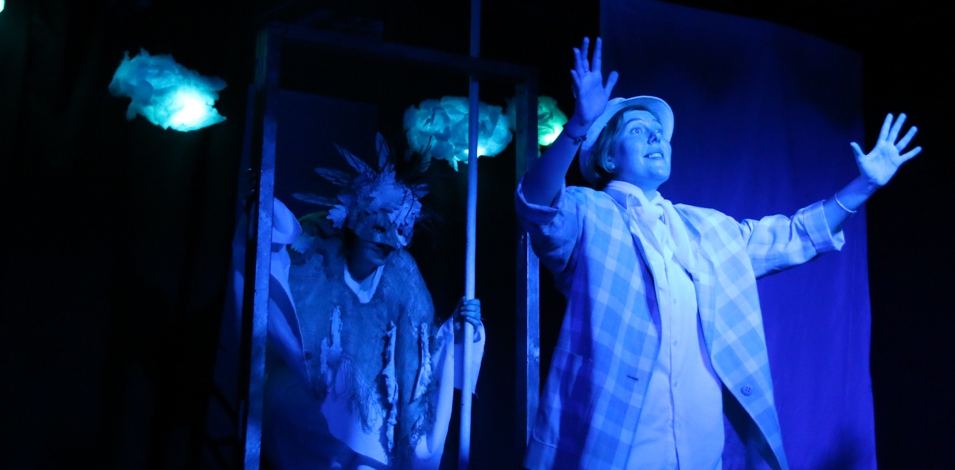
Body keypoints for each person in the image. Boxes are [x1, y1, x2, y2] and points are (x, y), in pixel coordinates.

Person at [516, 38, 921, 470]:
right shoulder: (588, 212)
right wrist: (579, 124)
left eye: (658, 131)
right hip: (617, 448)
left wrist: (864, 185)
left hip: (698, 451)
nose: (655, 135)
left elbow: (794, 235)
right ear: (608, 159)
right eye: (636, 130)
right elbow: (536, 203)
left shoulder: (705, 229)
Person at [261, 135, 484, 470]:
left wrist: (457, 331)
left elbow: (421, 347)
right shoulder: (316, 261)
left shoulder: (403, 276)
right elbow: (276, 269)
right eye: (379, 226)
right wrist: (261, 209)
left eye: (401, 231)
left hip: (373, 406)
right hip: (306, 393)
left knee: (376, 433)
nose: (388, 241)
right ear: (355, 219)